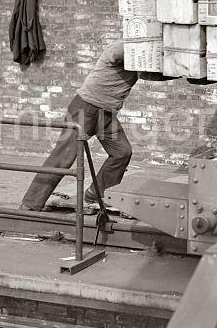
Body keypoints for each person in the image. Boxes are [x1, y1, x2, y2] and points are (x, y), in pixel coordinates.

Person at [19, 40, 138, 210]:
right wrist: (147, 52)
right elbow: (117, 54)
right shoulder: (121, 48)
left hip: (106, 113)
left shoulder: (144, 59)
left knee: (122, 152)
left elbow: (154, 74)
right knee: (63, 157)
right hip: (85, 108)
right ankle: (30, 204)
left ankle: (96, 194)